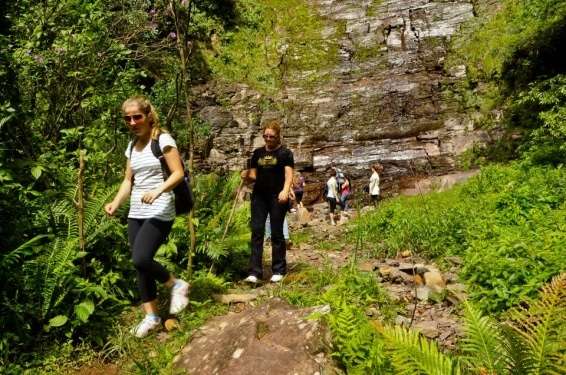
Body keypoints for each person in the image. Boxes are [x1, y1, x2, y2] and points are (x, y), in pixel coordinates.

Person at [104, 96, 189, 338]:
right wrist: (115, 203)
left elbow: (178, 174)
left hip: (161, 208)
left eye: (136, 117)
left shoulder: (163, 139)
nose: (132, 122)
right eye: (127, 118)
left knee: (141, 258)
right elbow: (128, 180)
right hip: (136, 212)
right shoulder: (132, 146)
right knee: (140, 266)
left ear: (148, 116)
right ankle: (151, 316)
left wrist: (158, 190)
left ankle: (176, 284)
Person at [241, 120, 294, 283]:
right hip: (259, 196)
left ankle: (278, 269)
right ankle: (254, 272)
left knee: (277, 232)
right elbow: (254, 175)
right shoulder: (257, 153)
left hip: (277, 196)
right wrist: (246, 176)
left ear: (278, 136)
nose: (268, 139)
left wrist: (285, 190)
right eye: (266, 136)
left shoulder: (285, 153)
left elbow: (289, 174)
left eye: (272, 136)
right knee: (257, 232)